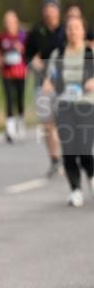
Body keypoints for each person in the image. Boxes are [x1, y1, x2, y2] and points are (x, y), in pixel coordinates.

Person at [42, 15, 94, 206]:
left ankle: (91, 174)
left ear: (83, 31)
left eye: (76, 28)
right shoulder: (59, 54)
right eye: (70, 28)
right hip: (64, 105)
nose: (73, 31)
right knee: (69, 149)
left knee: (84, 148)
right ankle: (75, 189)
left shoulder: (90, 52)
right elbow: (52, 76)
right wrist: (48, 83)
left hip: (86, 104)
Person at [26, 0, 66, 177]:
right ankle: (55, 160)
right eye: (47, 9)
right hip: (42, 83)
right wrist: (32, 62)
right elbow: (27, 55)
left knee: (64, 123)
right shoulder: (36, 32)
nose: (49, 12)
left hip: (64, 83)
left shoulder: (65, 31)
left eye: (53, 8)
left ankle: (69, 156)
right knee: (47, 124)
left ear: (58, 11)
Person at [0, 9, 28, 143]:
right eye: (7, 21)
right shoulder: (1, 37)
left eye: (12, 21)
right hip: (7, 73)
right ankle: (10, 129)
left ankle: (20, 122)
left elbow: (30, 51)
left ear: (16, 22)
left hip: (20, 72)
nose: (9, 24)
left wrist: (22, 49)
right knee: (9, 99)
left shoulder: (23, 36)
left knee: (20, 99)